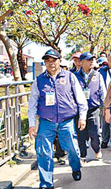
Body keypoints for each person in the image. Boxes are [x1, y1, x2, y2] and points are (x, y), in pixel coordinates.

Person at [28, 49, 88, 189]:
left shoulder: (69, 77)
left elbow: (80, 99)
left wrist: (82, 117)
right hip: (46, 122)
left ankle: (75, 167)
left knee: (72, 149)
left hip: (66, 121)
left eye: (53, 60)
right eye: (48, 61)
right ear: (45, 63)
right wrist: (32, 125)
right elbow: (32, 104)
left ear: (59, 61)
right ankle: (46, 183)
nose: (51, 63)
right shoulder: (39, 80)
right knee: (43, 152)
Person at [74, 52, 107, 161]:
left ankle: (97, 149)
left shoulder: (97, 75)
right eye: (89, 60)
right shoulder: (74, 76)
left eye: (93, 59)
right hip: (79, 111)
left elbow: (103, 92)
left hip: (93, 109)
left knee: (95, 133)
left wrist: (106, 107)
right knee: (81, 135)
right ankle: (83, 156)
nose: (92, 61)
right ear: (81, 62)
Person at [99, 52, 111, 149]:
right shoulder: (101, 71)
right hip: (104, 99)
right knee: (104, 122)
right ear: (107, 60)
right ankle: (104, 140)